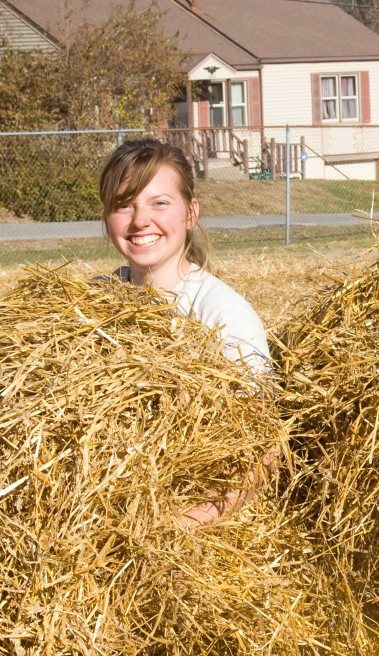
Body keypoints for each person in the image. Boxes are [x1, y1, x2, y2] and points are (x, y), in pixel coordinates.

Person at [99, 138, 276, 525]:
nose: (140, 219)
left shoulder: (222, 315)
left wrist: (183, 526)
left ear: (190, 213)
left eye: (159, 203)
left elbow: (264, 450)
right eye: (123, 204)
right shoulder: (91, 300)